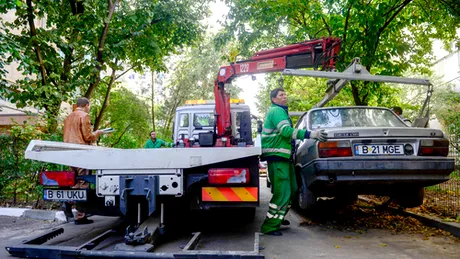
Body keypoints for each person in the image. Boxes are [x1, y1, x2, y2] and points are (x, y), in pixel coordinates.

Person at [260, 88, 327, 236]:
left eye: (285, 94)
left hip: (284, 158)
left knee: (293, 188)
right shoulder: (277, 111)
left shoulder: (281, 111)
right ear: (274, 99)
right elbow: (286, 131)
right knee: (282, 192)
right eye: (281, 95)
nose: (285, 96)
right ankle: (270, 226)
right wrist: (312, 134)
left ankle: (279, 216)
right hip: (277, 157)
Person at [63, 97, 103, 225]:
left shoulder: (68, 117)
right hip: (81, 151)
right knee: (84, 181)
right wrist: (97, 133)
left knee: (75, 182)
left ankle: (69, 204)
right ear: (86, 105)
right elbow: (87, 136)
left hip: (67, 151)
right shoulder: (85, 116)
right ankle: (80, 215)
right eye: (89, 105)